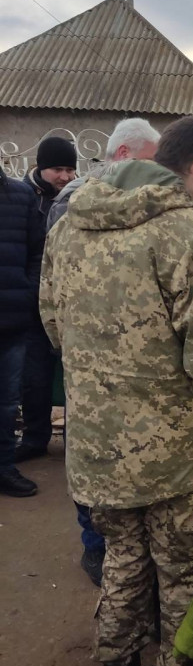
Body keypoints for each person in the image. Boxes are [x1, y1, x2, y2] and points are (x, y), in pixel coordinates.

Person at [40, 115, 193, 666]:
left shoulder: (70, 223)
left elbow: (54, 323)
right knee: (183, 573)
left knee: (122, 558)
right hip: (175, 457)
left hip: (96, 448)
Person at [43, 119, 163, 587]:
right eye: (151, 162)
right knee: (91, 459)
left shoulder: (136, 204)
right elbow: (51, 295)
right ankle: (94, 547)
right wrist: (81, 351)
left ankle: (122, 550)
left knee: (121, 461)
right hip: (91, 369)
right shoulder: (70, 205)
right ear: (124, 156)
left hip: (124, 368)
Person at [15, 136, 77, 464]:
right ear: (41, 167)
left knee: (76, 377)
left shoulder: (80, 196)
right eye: (58, 169)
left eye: (70, 169)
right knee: (34, 378)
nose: (65, 176)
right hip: (34, 303)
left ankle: (74, 443)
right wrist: (31, 291)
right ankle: (35, 438)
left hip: (71, 303)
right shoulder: (24, 197)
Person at [0, 168, 44, 496]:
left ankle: (3, 468)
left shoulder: (21, 195)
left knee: (6, 403)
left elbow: (38, 252)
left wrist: (28, 292)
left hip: (11, 321)